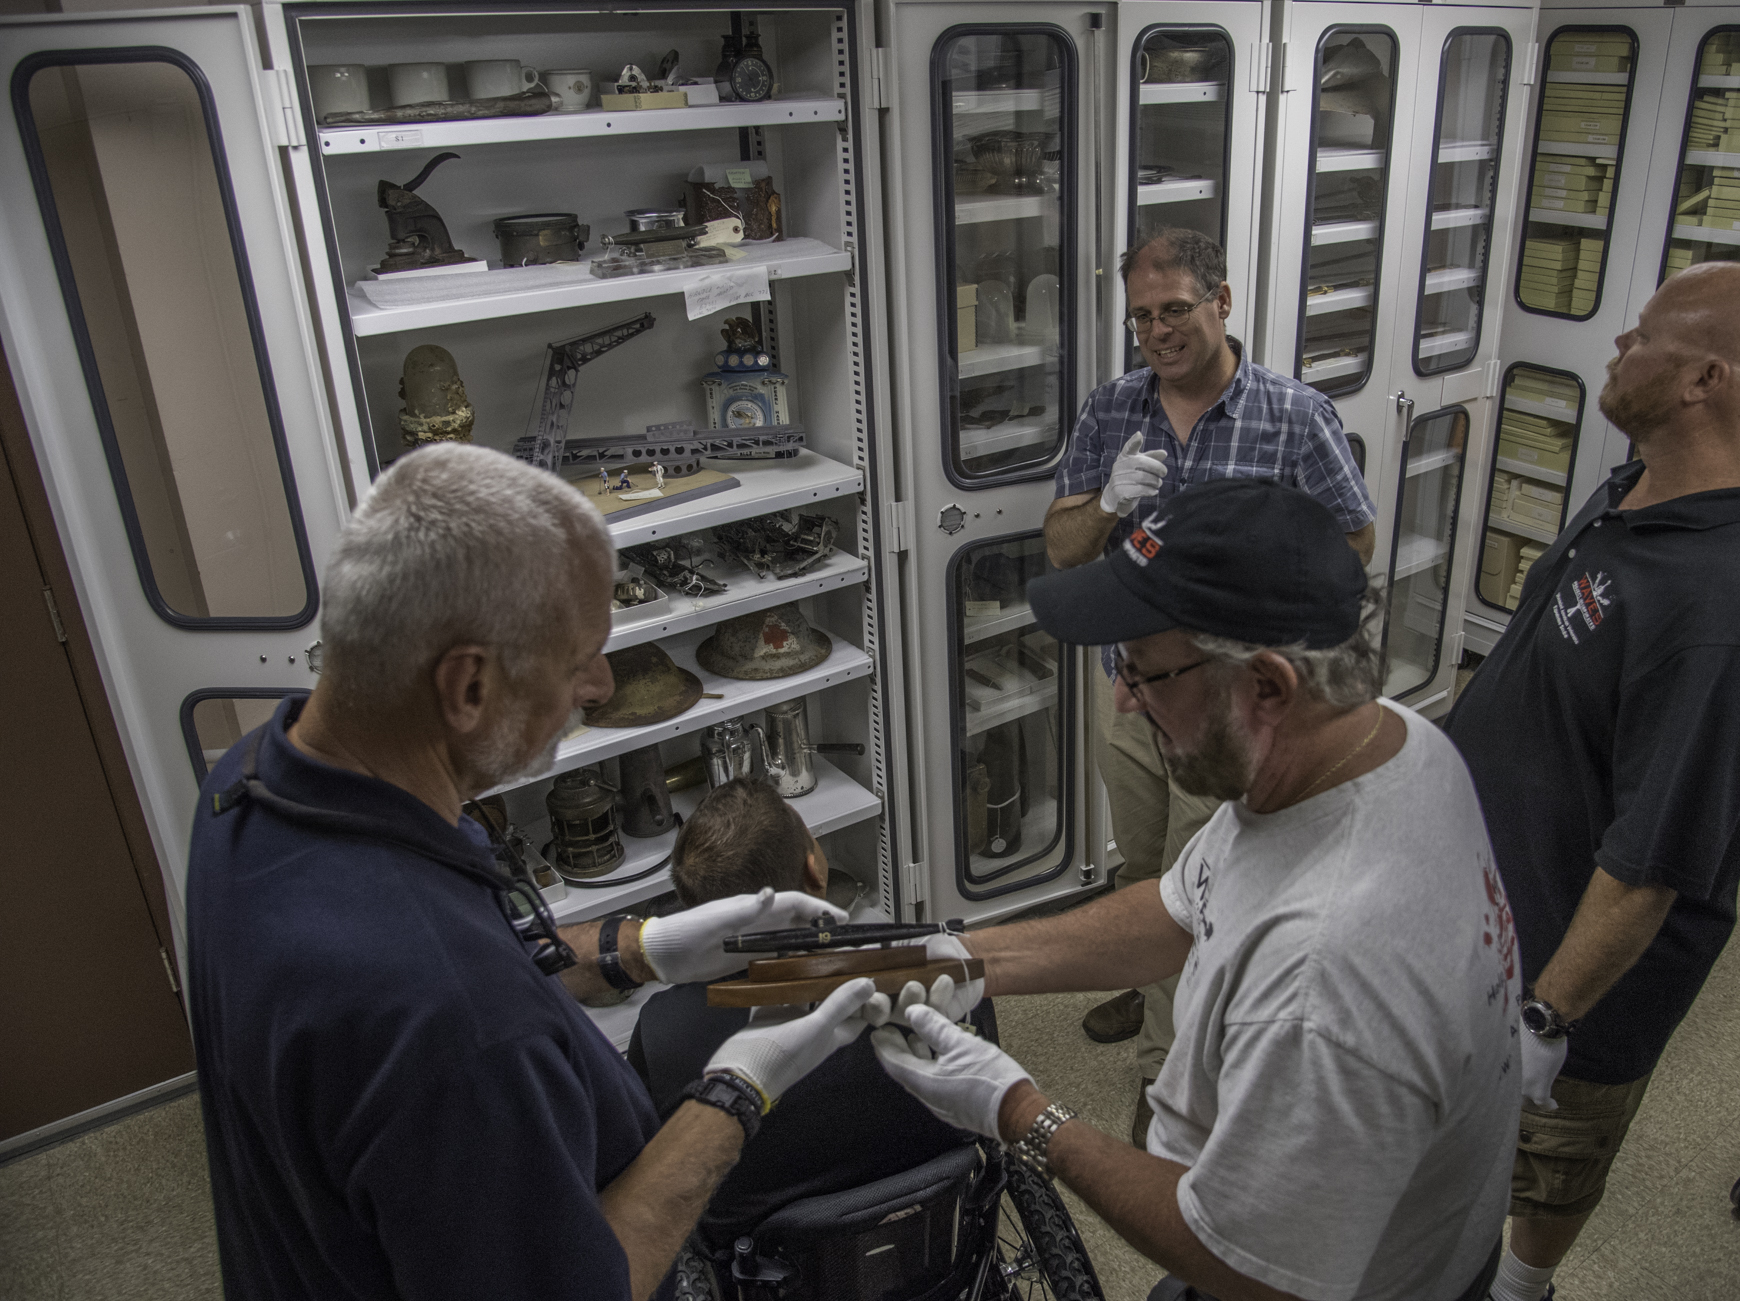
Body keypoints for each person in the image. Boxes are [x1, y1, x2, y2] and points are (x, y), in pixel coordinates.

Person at [185, 443, 876, 1301]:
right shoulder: (456, 1025)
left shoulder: (252, 783)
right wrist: (740, 1088)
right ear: (468, 685)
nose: (600, 685)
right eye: (579, 656)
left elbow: (457, 952)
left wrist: (638, 947)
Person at [873, 478, 1519, 1301]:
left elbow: (1248, 1265)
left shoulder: (1327, 971)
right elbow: (1181, 907)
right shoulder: (1385, 744)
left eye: (1144, 671)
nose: (1122, 697)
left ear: (1268, 685)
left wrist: (1019, 1111)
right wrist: (965, 956)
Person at [1443, 263, 1740, 1301]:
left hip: (1573, 976)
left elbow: (1650, 864)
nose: (1618, 346)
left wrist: (1545, 1019)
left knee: (1548, 1156)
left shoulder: (1728, 611)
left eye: (1643, 335)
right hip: (1490, 913)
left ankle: (1523, 1287)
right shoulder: (1634, 493)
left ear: (1702, 378)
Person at [1043, 226, 1376, 1140]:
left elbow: (1352, 542)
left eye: (1176, 310)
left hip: (1223, 711)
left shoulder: (1293, 414)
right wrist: (1109, 501)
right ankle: (1151, 981)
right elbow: (1062, 548)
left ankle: (1167, 1068)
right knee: (1142, 863)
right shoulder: (1113, 409)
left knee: (1202, 884)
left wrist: (1260, 625)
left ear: (1222, 302)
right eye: (1141, 317)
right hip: (1130, 692)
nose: (1157, 331)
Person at [626, 776, 992, 1244]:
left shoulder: (661, 1031)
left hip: (769, 1263)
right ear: (815, 872)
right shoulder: (941, 972)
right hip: (934, 1232)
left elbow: (650, 1168)